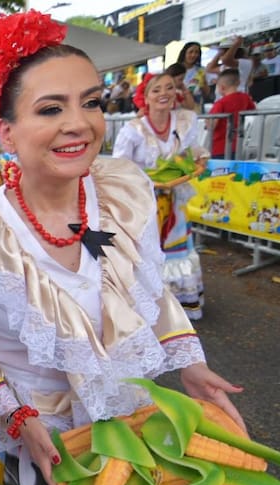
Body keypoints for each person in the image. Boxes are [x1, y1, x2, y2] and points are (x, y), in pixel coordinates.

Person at [0, 10, 244, 485]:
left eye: (92, 102)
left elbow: (148, 290)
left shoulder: (124, 188)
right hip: (47, 440)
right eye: (51, 109)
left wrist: (191, 364)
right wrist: (19, 421)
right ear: (6, 131)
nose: (78, 124)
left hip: (136, 416)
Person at [113, 71, 210, 320]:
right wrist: (147, 183)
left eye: (168, 87)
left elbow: (193, 150)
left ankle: (178, 306)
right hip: (144, 202)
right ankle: (147, 305)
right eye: (156, 90)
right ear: (144, 97)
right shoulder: (133, 130)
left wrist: (199, 159)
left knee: (175, 249)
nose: (163, 94)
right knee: (147, 250)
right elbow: (120, 167)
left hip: (175, 198)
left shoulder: (185, 120)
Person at [208, 69, 256, 159]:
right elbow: (253, 111)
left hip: (219, 146)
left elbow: (212, 124)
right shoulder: (245, 97)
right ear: (238, 83)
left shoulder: (221, 103)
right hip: (238, 144)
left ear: (221, 87)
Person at [177, 41, 211, 106]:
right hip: (180, 103)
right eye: (191, 52)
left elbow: (207, 93)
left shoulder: (201, 70)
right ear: (184, 53)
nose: (193, 55)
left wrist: (203, 82)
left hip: (197, 104)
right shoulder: (175, 69)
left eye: (196, 52)